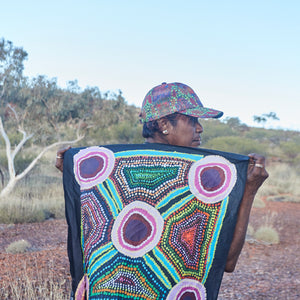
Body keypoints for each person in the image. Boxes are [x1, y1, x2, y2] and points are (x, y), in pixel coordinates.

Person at [56, 82, 268, 298]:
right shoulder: (109, 175)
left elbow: (227, 261)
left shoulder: (203, 183)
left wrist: (249, 189)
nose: (200, 128)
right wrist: (73, 175)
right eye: (192, 120)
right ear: (164, 124)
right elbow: (87, 244)